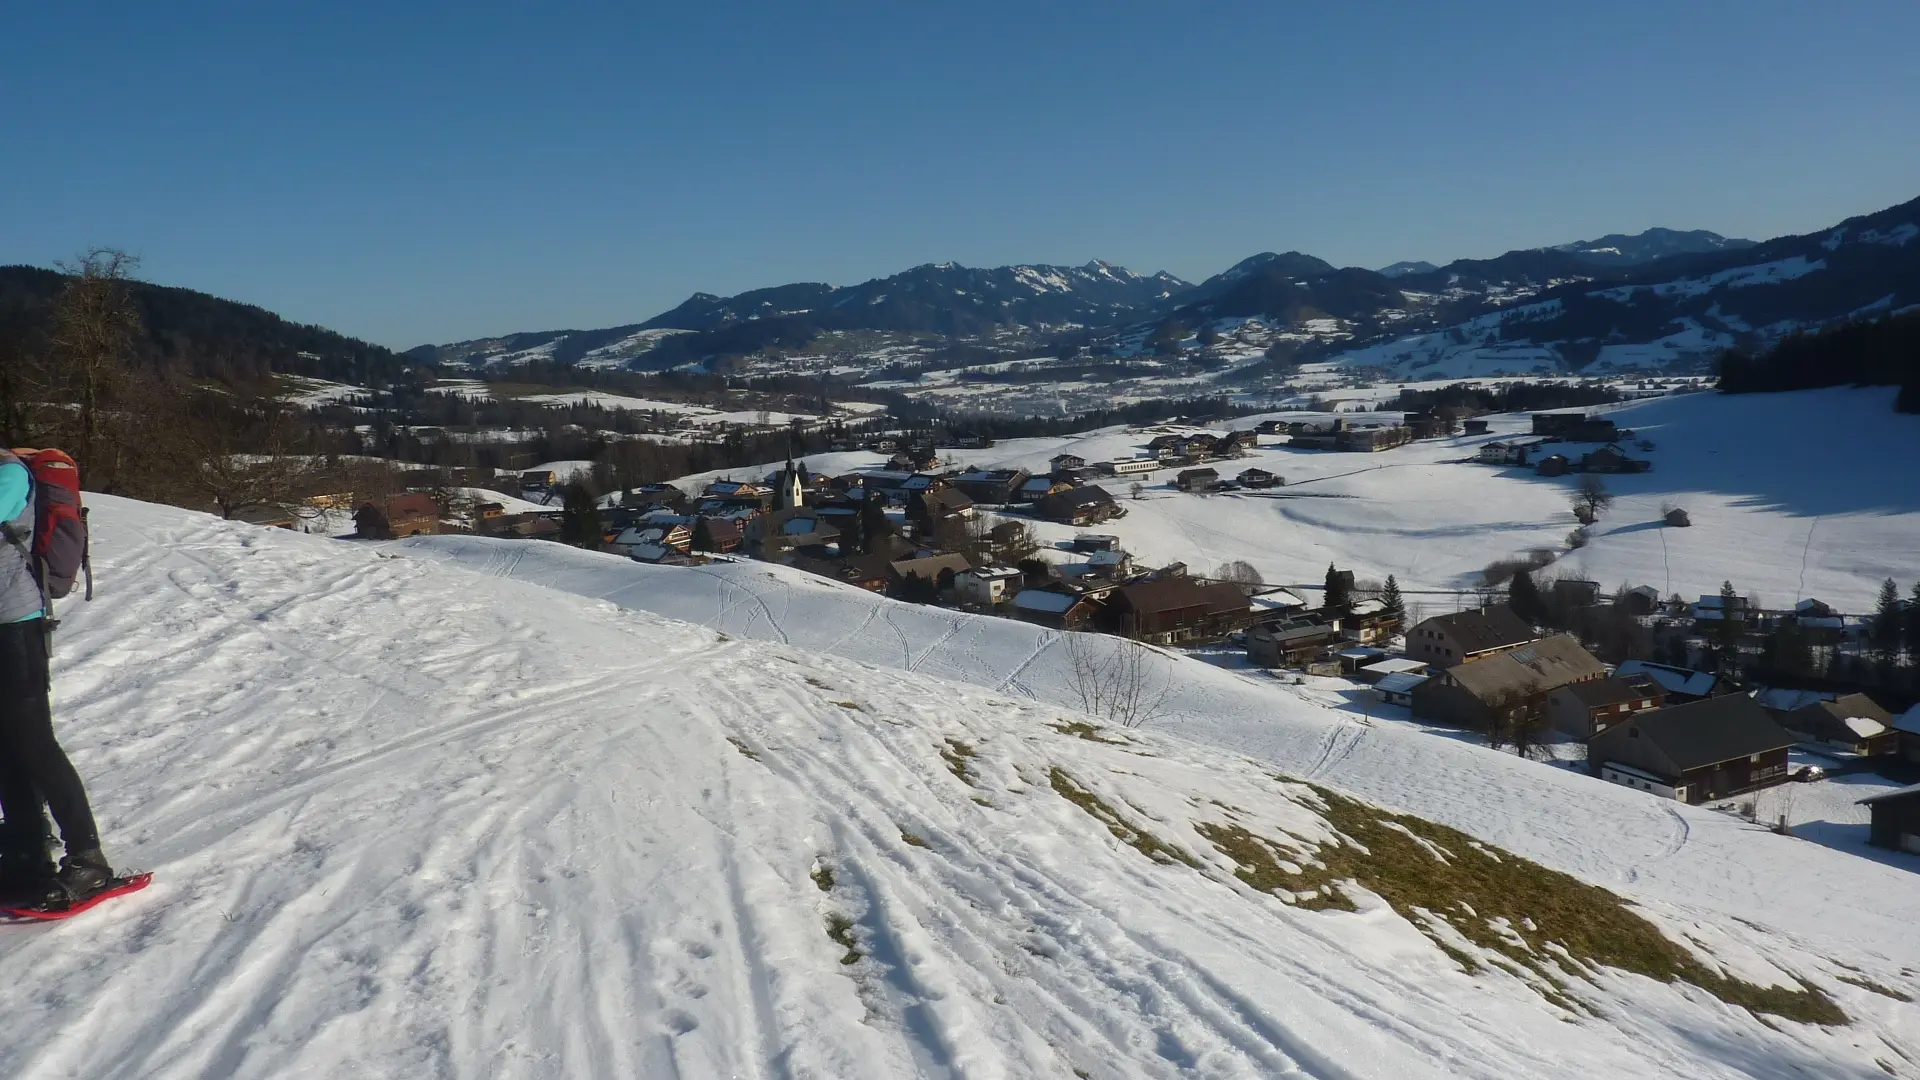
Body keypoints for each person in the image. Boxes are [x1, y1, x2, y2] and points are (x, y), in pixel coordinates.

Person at [0, 449, 112, 906]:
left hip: (16, 626)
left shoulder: (9, 473)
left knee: (35, 744)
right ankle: (26, 851)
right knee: (5, 746)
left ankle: (89, 858)